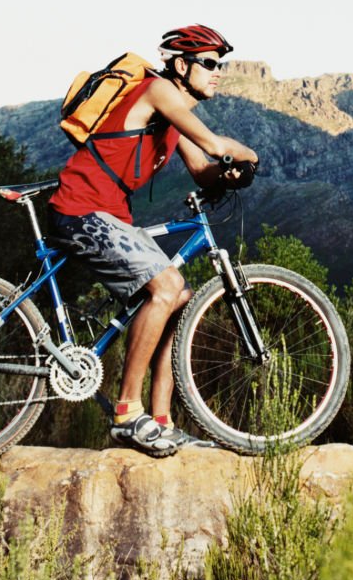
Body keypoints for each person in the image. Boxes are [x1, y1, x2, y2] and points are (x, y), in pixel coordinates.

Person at [48, 24, 258, 456]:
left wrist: (227, 177)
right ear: (182, 65)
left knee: (177, 295)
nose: (218, 73)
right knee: (164, 286)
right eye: (210, 64)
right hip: (82, 210)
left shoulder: (172, 113)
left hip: (109, 215)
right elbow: (214, 144)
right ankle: (127, 414)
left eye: (222, 65)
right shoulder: (158, 90)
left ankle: (161, 420)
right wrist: (249, 157)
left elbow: (202, 167)